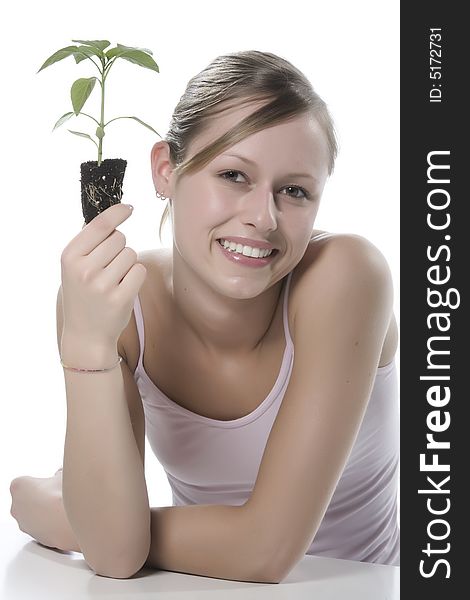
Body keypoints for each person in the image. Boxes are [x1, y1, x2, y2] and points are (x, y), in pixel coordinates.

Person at [9, 50, 399, 583]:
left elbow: (264, 553)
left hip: (368, 588)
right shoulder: (118, 305)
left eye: (294, 191)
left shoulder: (347, 276)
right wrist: (86, 349)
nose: (263, 218)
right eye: (234, 174)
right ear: (167, 171)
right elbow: (116, 559)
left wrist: (69, 518)